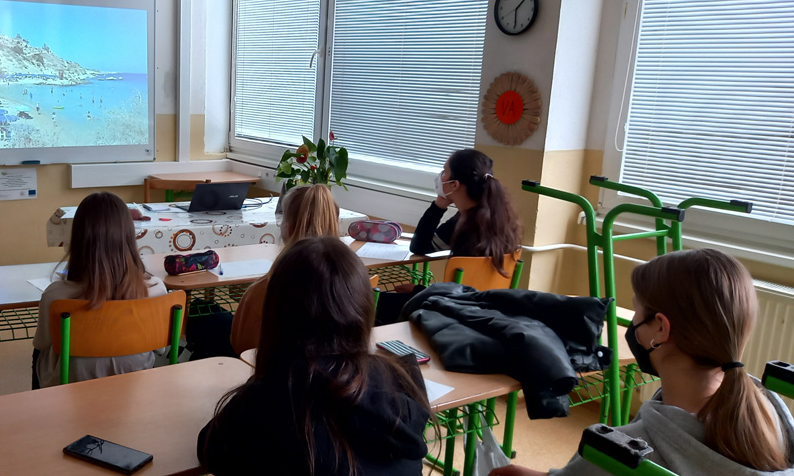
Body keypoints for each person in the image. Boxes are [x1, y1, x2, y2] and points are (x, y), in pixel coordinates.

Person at [492, 249, 794, 476]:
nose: (634, 322)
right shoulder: (771, 412)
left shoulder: (621, 454)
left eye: (637, 311)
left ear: (661, 329)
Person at [198, 237, 432, 475]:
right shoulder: (400, 385)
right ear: (362, 308)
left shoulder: (267, 398)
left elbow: (210, 449)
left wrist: (260, 382)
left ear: (277, 314)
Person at [31, 192, 167, 389]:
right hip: (135, 383)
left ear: (77, 238)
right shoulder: (156, 290)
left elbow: (42, 343)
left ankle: (36, 404)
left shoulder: (56, 296)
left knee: (39, 353)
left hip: (71, 384)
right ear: (129, 236)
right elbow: (160, 349)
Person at [227, 184, 340, 354]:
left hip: (273, 367)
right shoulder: (352, 282)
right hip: (336, 366)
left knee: (210, 317)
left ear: (289, 228)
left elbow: (243, 347)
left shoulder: (267, 289)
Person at [410, 148, 520, 273]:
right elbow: (420, 246)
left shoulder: (464, 224)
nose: (441, 176)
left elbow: (418, 247)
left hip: (463, 287)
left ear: (454, 185)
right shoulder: (499, 217)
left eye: (445, 171)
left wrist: (437, 207)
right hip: (493, 286)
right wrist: (439, 205)